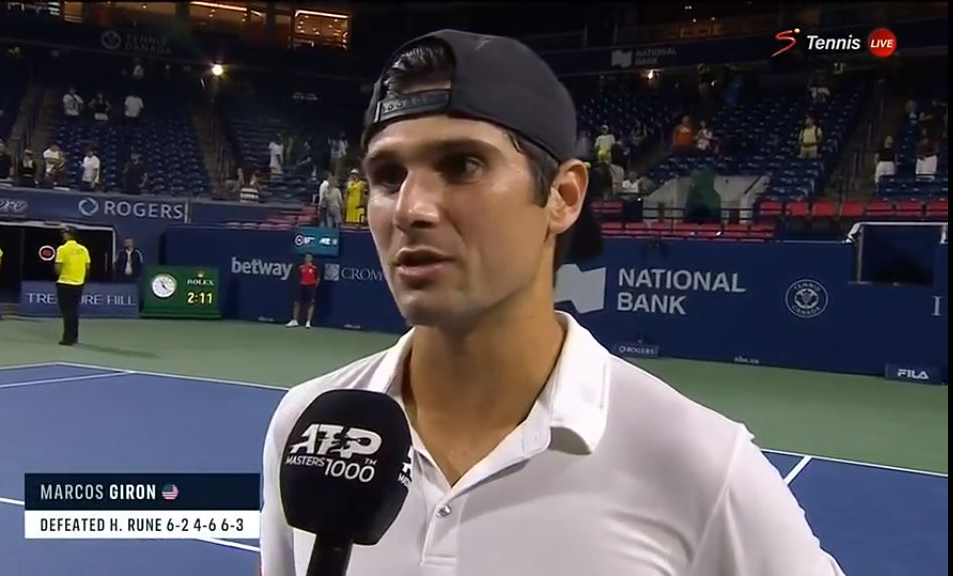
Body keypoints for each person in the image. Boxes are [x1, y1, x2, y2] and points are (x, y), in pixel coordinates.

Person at [258, 29, 846, 576]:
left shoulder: (702, 465)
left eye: (462, 165)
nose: (411, 209)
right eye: (388, 176)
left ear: (563, 195)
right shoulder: (306, 427)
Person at [54, 226, 90, 346]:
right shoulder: (84, 249)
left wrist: (63, 274)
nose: (63, 235)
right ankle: (74, 336)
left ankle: (67, 338)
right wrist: (80, 278)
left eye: (64, 233)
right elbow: (87, 267)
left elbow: (58, 267)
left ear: (68, 235)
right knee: (74, 311)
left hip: (65, 283)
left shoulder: (62, 249)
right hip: (79, 284)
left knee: (67, 311)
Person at [285, 254, 319, 329]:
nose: (308, 259)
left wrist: (313, 286)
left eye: (309, 257)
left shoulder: (315, 268)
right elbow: (297, 277)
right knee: (297, 303)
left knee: (311, 304)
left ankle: (308, 322)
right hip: (302, 286)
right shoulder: (300, 267)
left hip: (310, 287)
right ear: (305, 258)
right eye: (306, 257)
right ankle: (295, 321)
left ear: (312, 259)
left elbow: (318, 278)